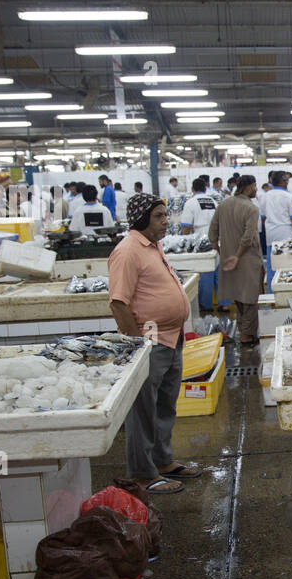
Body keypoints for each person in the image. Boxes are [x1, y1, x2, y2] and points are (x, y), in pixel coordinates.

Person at [108, 193, 199, 496]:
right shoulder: (127, 251)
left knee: (164, 407)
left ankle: (162, 461)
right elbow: (118, 303)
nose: (166, 221)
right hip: (150, 342)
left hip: (171, 339)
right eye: (159, 216)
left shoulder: (152, 245)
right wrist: (138, 346)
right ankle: (142, 474)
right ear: (142, 219)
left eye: (165, 215)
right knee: (143, 413)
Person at [209, 175, 263, 346]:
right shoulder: (251, 208)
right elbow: (248, 238)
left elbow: (212, 233)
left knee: (239, 297)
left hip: (229, 258)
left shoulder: (223, 204)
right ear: (247, 188)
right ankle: (247, 335)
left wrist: (223, 252)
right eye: (254, 186)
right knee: (251, 299)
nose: (256, 189)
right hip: (247, 259)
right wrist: (237, 256)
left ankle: (243, 330)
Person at [260, 171, 292, 276]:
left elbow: (263, 218)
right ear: (284, 181)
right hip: (286, 236)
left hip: (271, 236)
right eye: (286, 180)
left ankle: (272, 291)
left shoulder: (265, 196)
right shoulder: (288, 196)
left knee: (273, 267)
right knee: (287, 268)